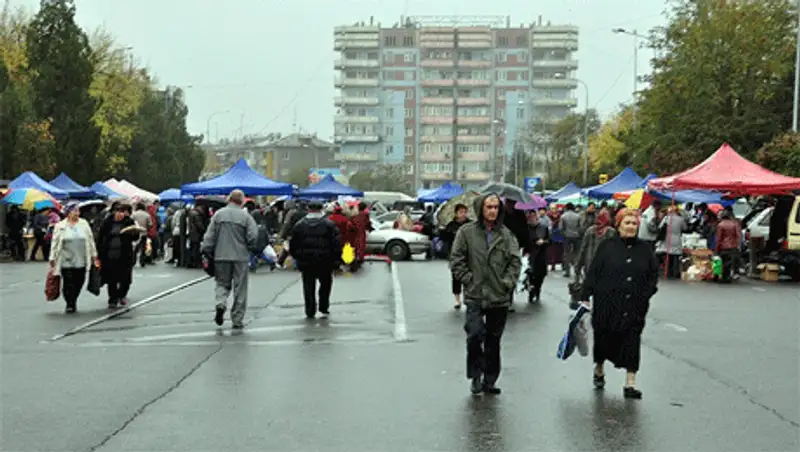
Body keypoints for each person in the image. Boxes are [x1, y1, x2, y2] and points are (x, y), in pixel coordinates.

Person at [581, 208, 659, 399]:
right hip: (607, 303)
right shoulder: (607, 246)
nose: (631, 227)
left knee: (632, 341)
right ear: (619, 225)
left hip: (634, 305)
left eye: (634, 223)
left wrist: (647, 293)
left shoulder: (645, 249)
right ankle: (599, 369)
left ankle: (630, 383)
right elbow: (594, 271)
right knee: (603, 339)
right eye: (627, 223)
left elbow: (652, 274)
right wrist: (585, 294)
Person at [450, 193, 522, 395]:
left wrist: (507, 283)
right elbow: (456, 259)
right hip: (475, 294)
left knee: (493, 340)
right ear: (481, 208)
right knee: (474, 335)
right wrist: (468, 279)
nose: (492, 211)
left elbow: (515, 262)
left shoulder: (506, 235)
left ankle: (490, 379)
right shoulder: (467, 232)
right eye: (489, 207)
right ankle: (475, 375)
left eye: (496, 207)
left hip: (498, 297)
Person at [202, 190, 259, 329]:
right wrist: (250, 247)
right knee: (240, 288)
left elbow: (209, 236)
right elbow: (253, 236)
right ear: (242, 201)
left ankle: (220, 303)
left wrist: (206, 250)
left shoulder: (218, 215)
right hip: (240, 256)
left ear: (229, 199)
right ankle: (237, 319)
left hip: (221, 255)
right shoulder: (245, 217)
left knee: (222, 283)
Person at [289, 201, 342, 319]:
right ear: (322, 208)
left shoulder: (300, 225)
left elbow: (293, 244)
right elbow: (336, 244)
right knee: (325, 284)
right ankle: (323, 306)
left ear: (308, 208)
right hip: (325, 261)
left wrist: (297, 257)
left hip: (306, 261)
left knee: (308, 286)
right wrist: (337, 260)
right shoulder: (329, 225)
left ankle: (310, 310)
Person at [49, 203, 100, 313]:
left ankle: (74, 298)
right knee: (68, 282)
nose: (77, 213)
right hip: (65, 259)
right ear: (68, 213)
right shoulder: (60, 226)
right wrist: (52, 257)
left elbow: (90, 240)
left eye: (78, 211)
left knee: (79, 281)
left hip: (81, 258)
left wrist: (93, 255)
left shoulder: (84, 224)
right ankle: (70, 303)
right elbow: (55, 242)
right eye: (74, 211)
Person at [96, 203, 141, 308]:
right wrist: (98, 252)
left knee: (125, 278)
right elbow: (100, 237)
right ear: (114, 212)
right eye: (118, 212)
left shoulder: (129, 222)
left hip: (124, 254)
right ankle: (112, 298)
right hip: (109, 254)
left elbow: (135, 236)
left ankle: (121, 294)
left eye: (122, 212)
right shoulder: (107, 222)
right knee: (111, 278)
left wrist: (132, 233)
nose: (120, 214)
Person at [575, 209, 617, 281]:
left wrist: (578, 266)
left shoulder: (590, 230)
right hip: (605, 265)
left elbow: (583, 248)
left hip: (589, 263)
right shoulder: (611, 232)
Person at [443, 203, 470, 309]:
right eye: (460, 212)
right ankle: (457, 299)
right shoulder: (450, 225)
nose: (463, 214)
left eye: (464, 212)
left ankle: (468, 298)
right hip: (455, 255)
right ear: (456, 213)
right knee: (456, 278)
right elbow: (445, 240)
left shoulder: (470, 224)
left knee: (469, 277)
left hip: (468, 254)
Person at [525, 209, 550, 303]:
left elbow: (549, 240)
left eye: (533, 216)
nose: (531, 218)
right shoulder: (525, 228)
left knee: (540, 275)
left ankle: (537, 290)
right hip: (530, 254)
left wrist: (543, 241)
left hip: (541, 255)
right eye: (529, 216)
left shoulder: (543, 227)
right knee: (530, 274)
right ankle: (531, 291)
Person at [660, 206, 687, 279]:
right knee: (676, 256)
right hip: (677, 238)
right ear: (677, 211)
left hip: (667, 238)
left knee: (668, 256)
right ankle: (676, 272)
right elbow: (685, 228)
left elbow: (660, 226)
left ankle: (668, 271)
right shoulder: (680, 219)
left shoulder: (666, 218)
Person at [715, 210, 741, 282]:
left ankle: (722, 276)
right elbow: (737, 235)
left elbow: (719, 238)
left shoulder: (720, 225)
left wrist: (717, 249)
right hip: (732, 246)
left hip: (723, 246)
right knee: (729, 262)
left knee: (722, 261)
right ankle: (727, 276)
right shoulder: (734, 224)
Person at [559, 203, 582, 278]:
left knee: (567, 253)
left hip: (567, 236)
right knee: (577, 253)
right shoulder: (578, 216)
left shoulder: (563, 216)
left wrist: (564, 234)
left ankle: (567, 271)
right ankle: (577, 270)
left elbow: (560, 228)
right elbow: (580, 227)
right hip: (576, 236)